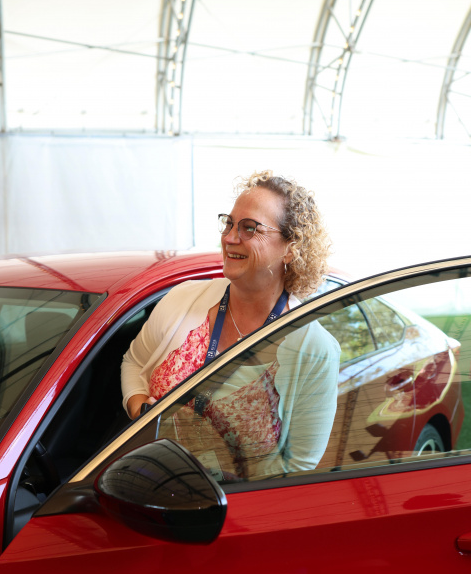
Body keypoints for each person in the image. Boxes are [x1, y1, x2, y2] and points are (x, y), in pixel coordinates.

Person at [121, 170, 339, 478]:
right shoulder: (182, 299)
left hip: (232, 503)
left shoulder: (313, 348)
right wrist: (139, 408)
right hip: (148, 484)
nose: (229, 238)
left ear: (291, 249)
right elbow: (134, 362)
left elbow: (299, 464)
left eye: (249, 228)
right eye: (229, 223)